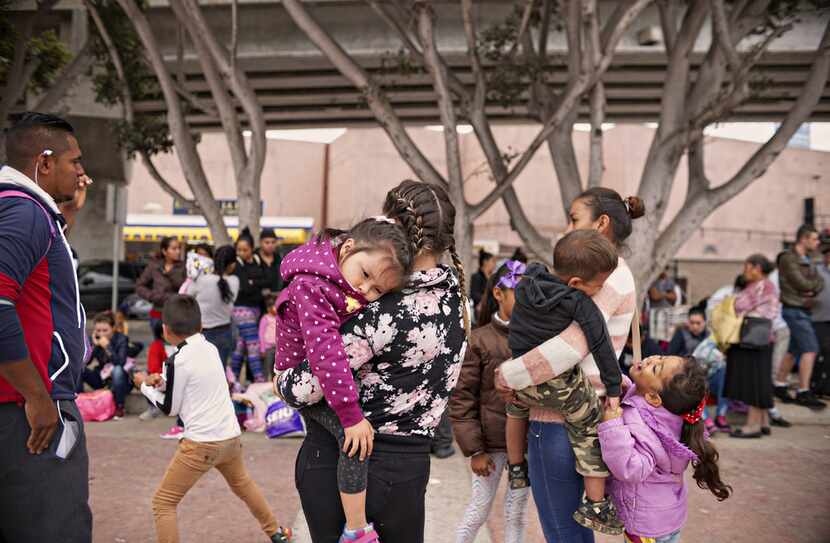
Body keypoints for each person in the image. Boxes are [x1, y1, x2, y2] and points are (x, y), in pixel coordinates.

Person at [277, 179, 467, 543]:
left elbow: (303, 389)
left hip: (346, 459)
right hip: (411, 468)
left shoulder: (381, 307)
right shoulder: (458, 300)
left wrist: (281, 380)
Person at [496, 187, 644, 543]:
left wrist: (508, 374)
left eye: (574, 219)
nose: (566, 227)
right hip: (572, 414)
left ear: (601, 224)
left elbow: (569, 348)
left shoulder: (607, 278)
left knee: (563, 533)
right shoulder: (609, 274)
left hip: (560, 419)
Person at [274, 217, 414, 542]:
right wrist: (351, 416)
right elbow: (326, 353)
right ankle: (356, 530)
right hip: (297, 379)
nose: (365, 291)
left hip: (312, 380)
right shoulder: (313, 285)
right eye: (365, 275)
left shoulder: (334, 276)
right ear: (348, 248)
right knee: (353, 439)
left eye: (378, 289)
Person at [0, 112, 92, 541]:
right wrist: (36, 395)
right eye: (74, 162)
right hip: (31, 408)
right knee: (54, 527)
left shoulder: (27, 212)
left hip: (22, 402)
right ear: (45, 162)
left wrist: (67, 210)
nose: (80, 171)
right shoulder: (26, 214)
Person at [135, 295, 291, 543]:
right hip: (230, 438)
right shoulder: (210, 348)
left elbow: (169, 409)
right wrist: (162, 382)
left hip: (201, 444)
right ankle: (276, 532)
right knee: (244, 486)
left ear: (165, 330)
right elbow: (192, 385)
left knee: (163, 503)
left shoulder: (178, 360)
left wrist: (144, 385)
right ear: (200, 326)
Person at [503, 230, 624, 536]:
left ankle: (516, 468)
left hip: (521, 379)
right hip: (556, 383)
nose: (600, 291)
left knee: (515, 409)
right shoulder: (578, 303)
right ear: (575, 284)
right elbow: (601, 346)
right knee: (587, 424)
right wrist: (612, 390)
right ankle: (596, 504)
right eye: (598, 285)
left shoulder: (528, 279)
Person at [599, 356, 731, 543]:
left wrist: (612, 426)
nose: (651, 359)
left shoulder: (646, 426)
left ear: (654, 397)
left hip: (646, 527)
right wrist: (627, 385)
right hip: (666, 517)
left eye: (655, 368)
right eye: (660, 357)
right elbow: (641, 395)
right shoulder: (672, 414)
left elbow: (631, 467)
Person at [450, 261, 530, 543]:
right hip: (490, 444)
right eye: (520, 293)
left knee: (517, 513)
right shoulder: (479, 340)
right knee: (478, 511)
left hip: (526, 446)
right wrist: (475, 450)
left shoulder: (537, 340)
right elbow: (462, 399)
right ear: (499, 293)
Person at [724, 254, 779, 438]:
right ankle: (763, 422)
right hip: (762, 338)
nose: (744, 272)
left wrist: (732, 303)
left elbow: (739, 305)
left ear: (758, 269)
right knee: (761, 379)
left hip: (753, 338)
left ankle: (752, 425)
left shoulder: (761, 285)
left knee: (753, 381)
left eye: (747, 268)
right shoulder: (766, 286)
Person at [775, 225, 826, 409]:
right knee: (810, 349)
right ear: (803, 239)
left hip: (802, 309)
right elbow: (803, 283)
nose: (817, 242)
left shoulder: (809, 258)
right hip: (793, 308)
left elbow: (818, 282)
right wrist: (811, 287)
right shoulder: (789, 258)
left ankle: (779, 385)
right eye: (814, 239)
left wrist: (812, 287)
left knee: (794, 349)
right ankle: (804, 391)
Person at [667, 309, 730, 433]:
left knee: (725, 371)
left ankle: (721, 415)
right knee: (695, 377)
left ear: (704, 323)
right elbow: (670, 356)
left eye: (698, 323)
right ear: (688, 323)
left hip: (709, 374)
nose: (695, 326)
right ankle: (705, 419)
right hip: (688, 376)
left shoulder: (710, 336)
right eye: (692, 323)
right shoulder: (681, 334)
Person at [185, 245, 239, 369]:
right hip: (224, 332)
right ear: (232, 264)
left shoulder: (201, 280)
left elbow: (187, 297)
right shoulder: (235, 281)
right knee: (219, 371)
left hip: (201, 333)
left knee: (200, 370)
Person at [232, 228, 269, 383]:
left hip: (255, 310)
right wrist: (257, 286)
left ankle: (231, 379)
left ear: (252, 249)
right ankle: (260, 380)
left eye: (245, 250)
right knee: (253, 346)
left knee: (240, 347)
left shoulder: (257, 260)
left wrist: (253, 283)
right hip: (242, 309)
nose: (241, 253)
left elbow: (266, 281)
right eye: (239, 250)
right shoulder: (236, 264)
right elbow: (245, 287)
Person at [79, 311, 132, 419]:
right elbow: (86, 362)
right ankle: (78, 403)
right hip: (101, 378)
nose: (101, 333)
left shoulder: (122, 339)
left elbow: (120, 362)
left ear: (113, 328)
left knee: (117, 370)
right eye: (98, 330)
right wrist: (93, 346)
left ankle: (119, 407)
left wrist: (107, 347)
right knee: (79, 368)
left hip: (118, 380)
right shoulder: (94, 339)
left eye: (105, 330)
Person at [137, 236, 186, 340]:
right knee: (159, 346)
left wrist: (169, 274)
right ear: (164, 251)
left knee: (176, 347)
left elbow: (185, 287)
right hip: (157, 314)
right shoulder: (154, 266)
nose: (177, 251)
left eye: (179, 248)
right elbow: (140, 286)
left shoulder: (184, 267)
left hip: (176, 315)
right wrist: (152, 296)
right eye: (174, 248)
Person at [139, 319, 176, 422]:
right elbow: (153, 368)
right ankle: (153, 407)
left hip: (178, 380)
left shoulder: (180, 346)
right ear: (161, 334)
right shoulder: (156, 346)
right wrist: (167, 375)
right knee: (146, 376)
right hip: (161, 379)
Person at [812, 244, 830, 397]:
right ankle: (815, 386)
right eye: (827, 254)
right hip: (818, 318)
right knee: (818, 352)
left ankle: (826, 387)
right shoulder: (817, 270)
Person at [258, 227, 283, 297]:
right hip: (258, 301)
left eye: (273, 242)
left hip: (276, 298)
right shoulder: (254, 258)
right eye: (267, 242)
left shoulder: (279, 258)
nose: (270, 245)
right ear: (260, 242)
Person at [259, 293, 278, 381]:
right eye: (270, 306)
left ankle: (275, 386)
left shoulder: (279, 318)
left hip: (277, 348)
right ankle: (265, 383)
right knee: (267, 368)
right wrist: (262, 349)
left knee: (276, 370)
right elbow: (261, 334)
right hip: (268, 348)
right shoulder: (265, 318)